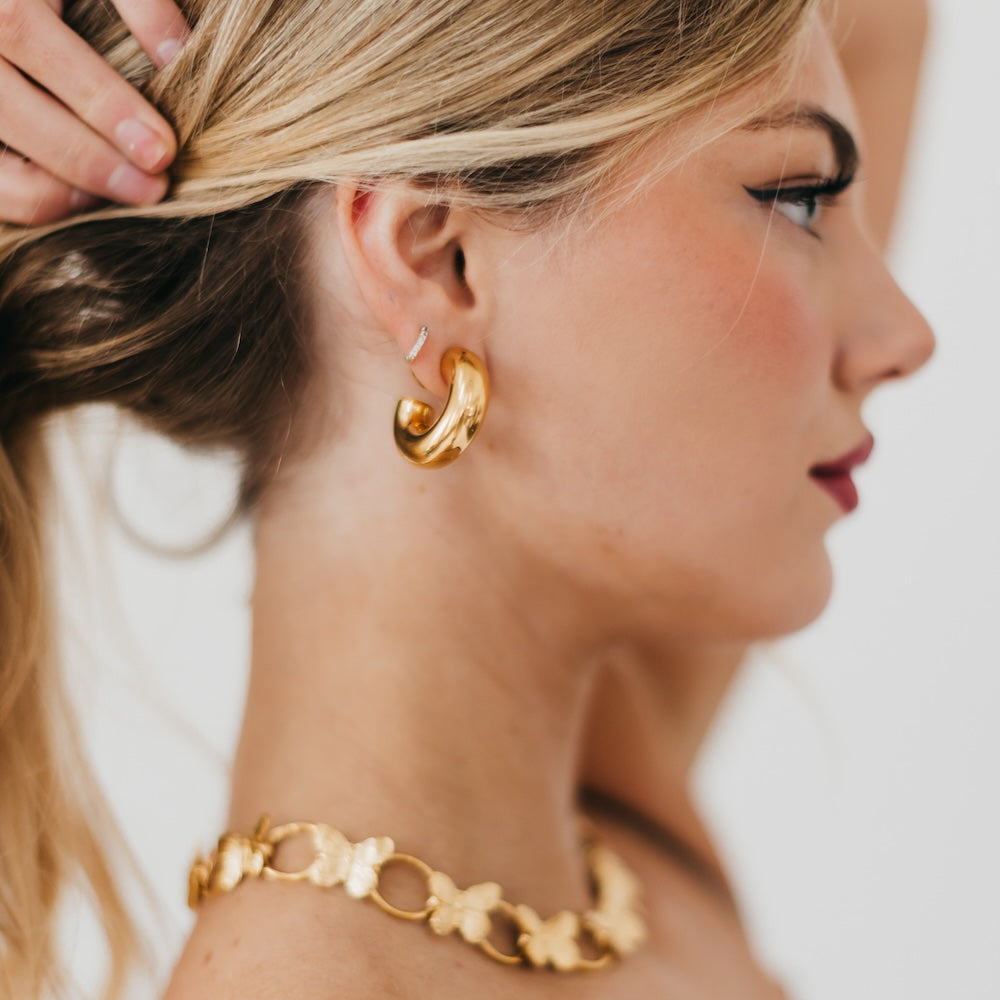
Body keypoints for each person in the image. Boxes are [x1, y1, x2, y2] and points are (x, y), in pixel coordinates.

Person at [0, 0, 934, 996]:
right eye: (797, 196)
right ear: (437, 261)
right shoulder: (612, 812)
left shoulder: (582, 835)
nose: (904, 336)